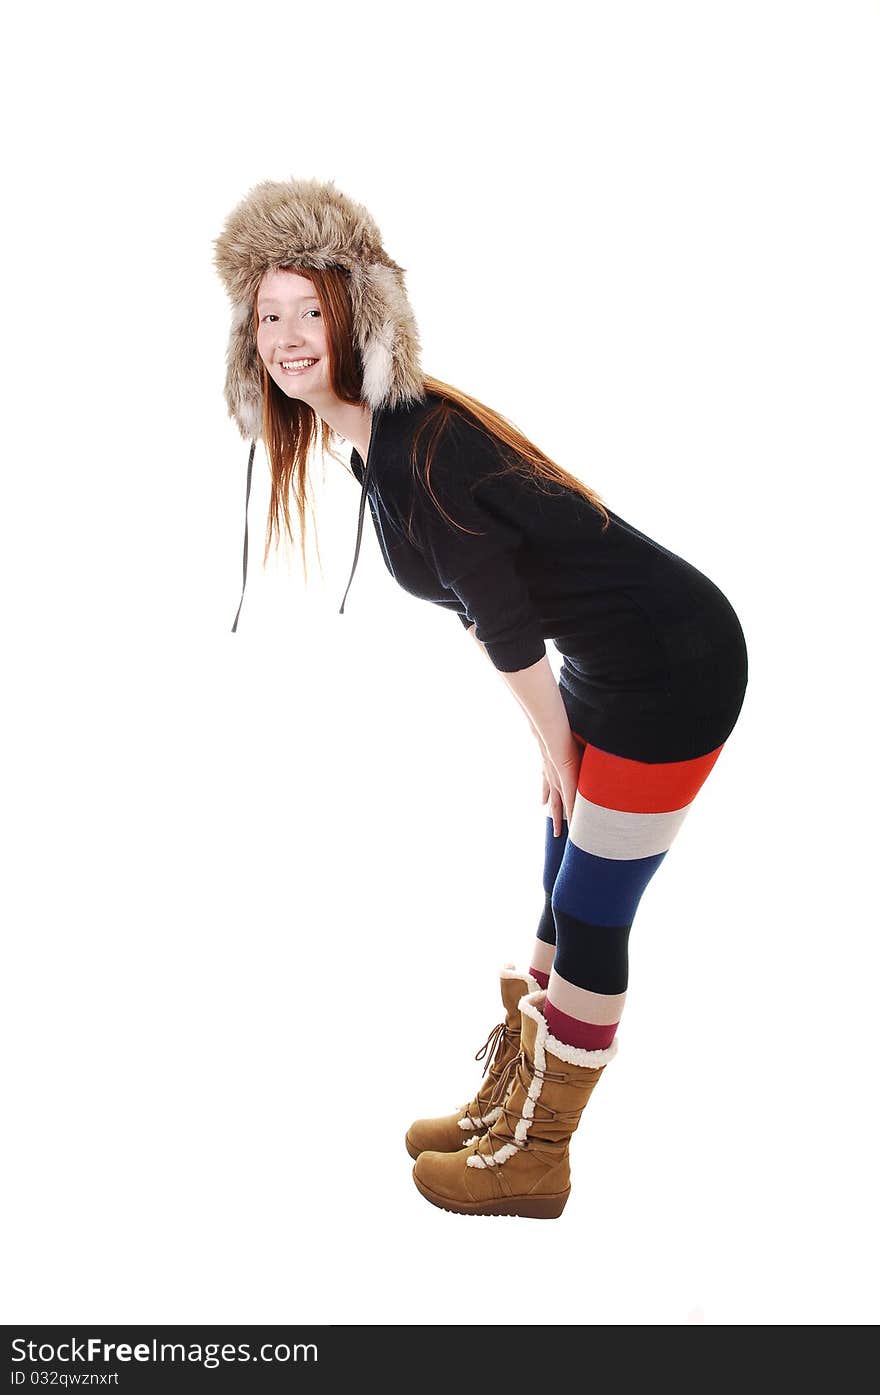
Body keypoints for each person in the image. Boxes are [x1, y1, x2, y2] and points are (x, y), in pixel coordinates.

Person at [213, 176, 749, 1219]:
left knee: (592, 915)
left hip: (675, 665)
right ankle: (511, 1107)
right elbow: (483, 603)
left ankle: (538, 1157)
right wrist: (551, 745)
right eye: (266, 316)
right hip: (609, 662)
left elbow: (502, 623)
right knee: (556, 892)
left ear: (356, 313)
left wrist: (557, 751)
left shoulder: (421, 444)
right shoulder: (372, 443)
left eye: (305, 312)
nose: (284, 337)